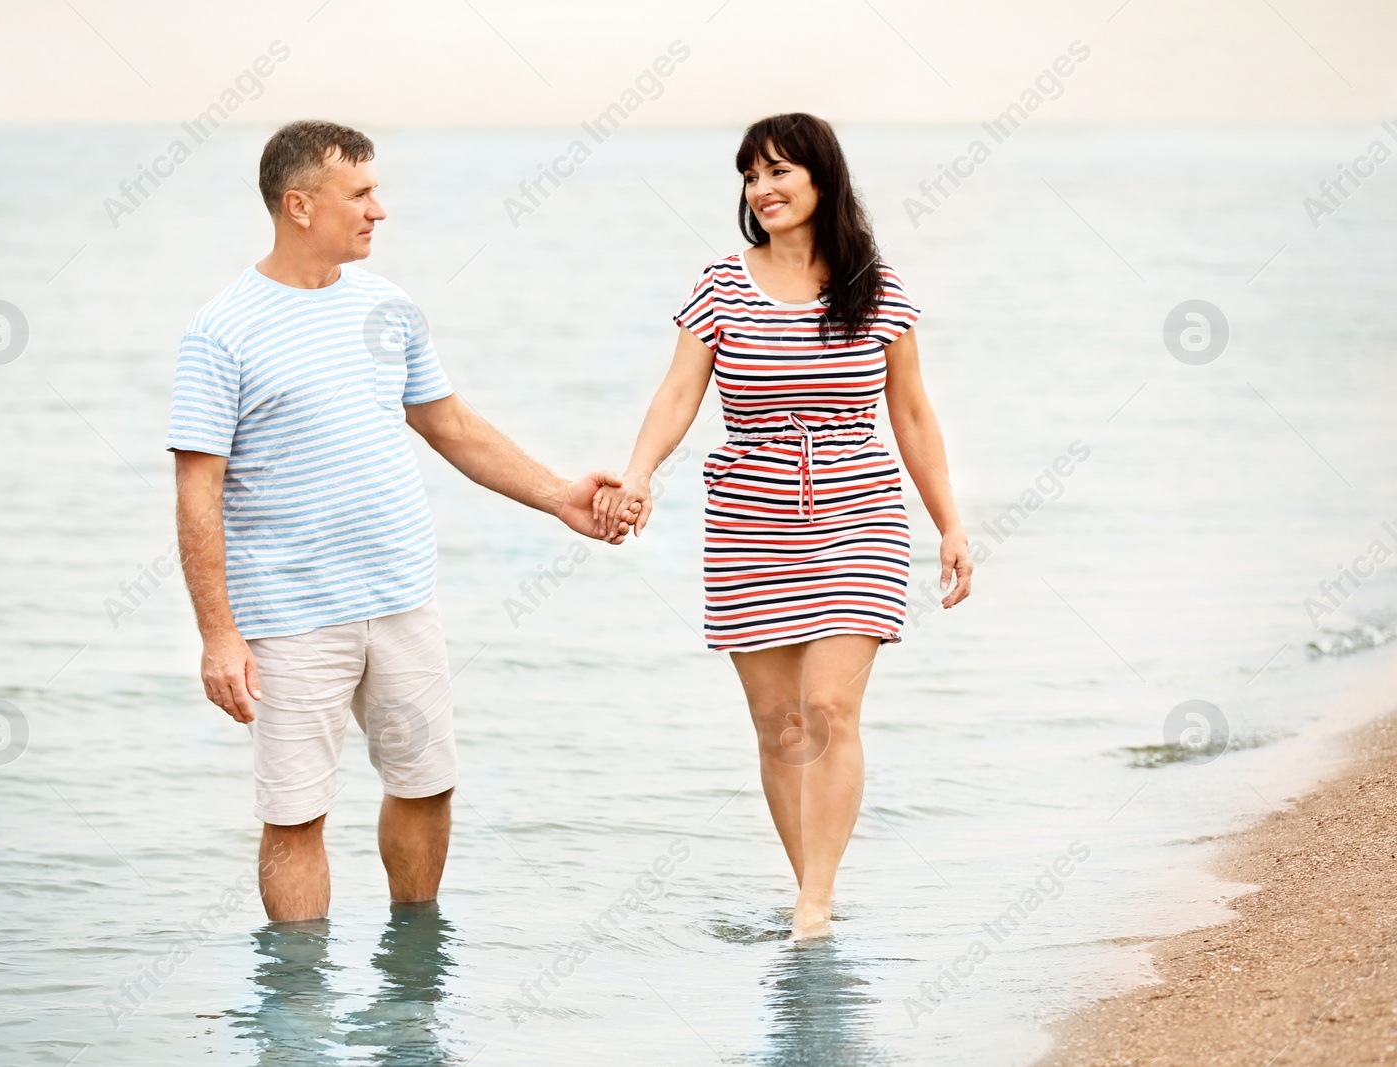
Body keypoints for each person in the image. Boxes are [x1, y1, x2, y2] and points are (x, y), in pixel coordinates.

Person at [167, 120, 637, 923]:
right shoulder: (222, 330)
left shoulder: (389, 308)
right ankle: (298, 1016)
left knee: (425, 786)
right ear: (300, 204)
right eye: (362, 193)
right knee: (295, 815)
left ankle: (411, 981)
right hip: (288, 618)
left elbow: (451, 426)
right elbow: (196, 493)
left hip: (401, 601)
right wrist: (218, 633)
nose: (380, 209)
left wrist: (560, 495)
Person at [596, 113, 972, 939]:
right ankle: (810, 890)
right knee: (780, 725)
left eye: (778, 173)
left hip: (858, 511)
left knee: (828, 705)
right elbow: (678, 391)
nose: (761, 190)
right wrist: (638, 472)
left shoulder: (876, 285)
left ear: (821, 180)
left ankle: (815, 903)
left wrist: (949, 521)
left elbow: (911, 413)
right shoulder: (721, 283)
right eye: (750, 175)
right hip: (749, 517)